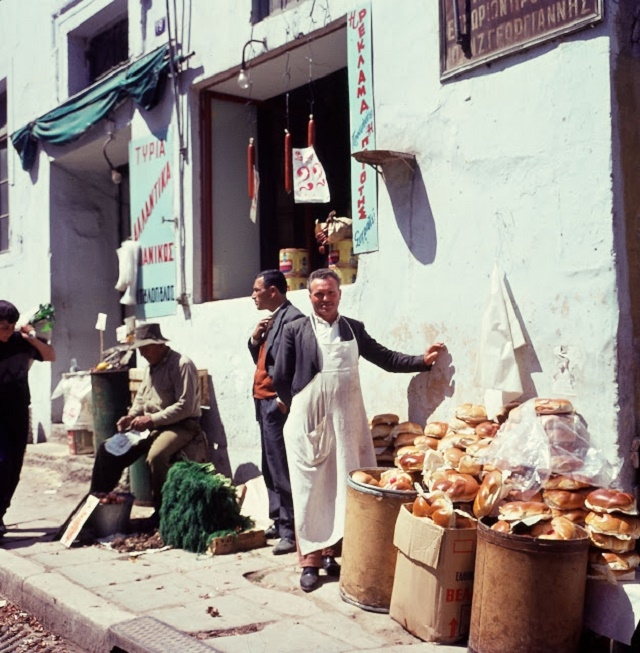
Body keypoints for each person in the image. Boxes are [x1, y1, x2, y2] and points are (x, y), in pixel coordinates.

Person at [273, 269, 445, 591]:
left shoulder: (353, 329)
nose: (324, 299)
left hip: (347, 423)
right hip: (310, 424)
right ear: (309, 296)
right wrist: (304, 406)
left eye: (330, 293)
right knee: (311, 491)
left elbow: (385, 358)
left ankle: (331, 553)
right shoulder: (295, 329)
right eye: (317, 294)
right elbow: (281, 377)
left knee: (343, 487)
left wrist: (422, 360)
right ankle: (309, 561)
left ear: (340, 294)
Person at [90, 323, 205, 516]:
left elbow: (185, 406)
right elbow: (142, 398)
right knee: (106, 450)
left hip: (181, 425)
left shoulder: (181, 364)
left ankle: (162, 512)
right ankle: (98, 504)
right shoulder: (151, 366)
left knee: (156, 456)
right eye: (140, 348)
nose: (142, 353)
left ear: (159, 344)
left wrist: (151, 419)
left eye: (145, 347)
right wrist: (131, 416)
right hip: (152, 425)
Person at [249, 270, 304, 555]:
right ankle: (277, 519)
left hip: (275, 402)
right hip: (262, 400)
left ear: (273, 290)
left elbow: (294, 366)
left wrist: (286, 398)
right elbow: (266, 360)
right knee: (269, 465)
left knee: (281, 467)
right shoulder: (273, 320)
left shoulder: (293, 319)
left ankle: (290, 530)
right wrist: (255, 339)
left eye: (256, 290)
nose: (253, 295)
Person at [0, 300, 56, 536]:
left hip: (19, 410)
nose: (6, 332)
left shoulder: (21, 342)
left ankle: (0, 514)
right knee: (1, 461)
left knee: (14, 467)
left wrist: (31, 337)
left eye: (10, 327)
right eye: (2, 327)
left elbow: (50, 355)